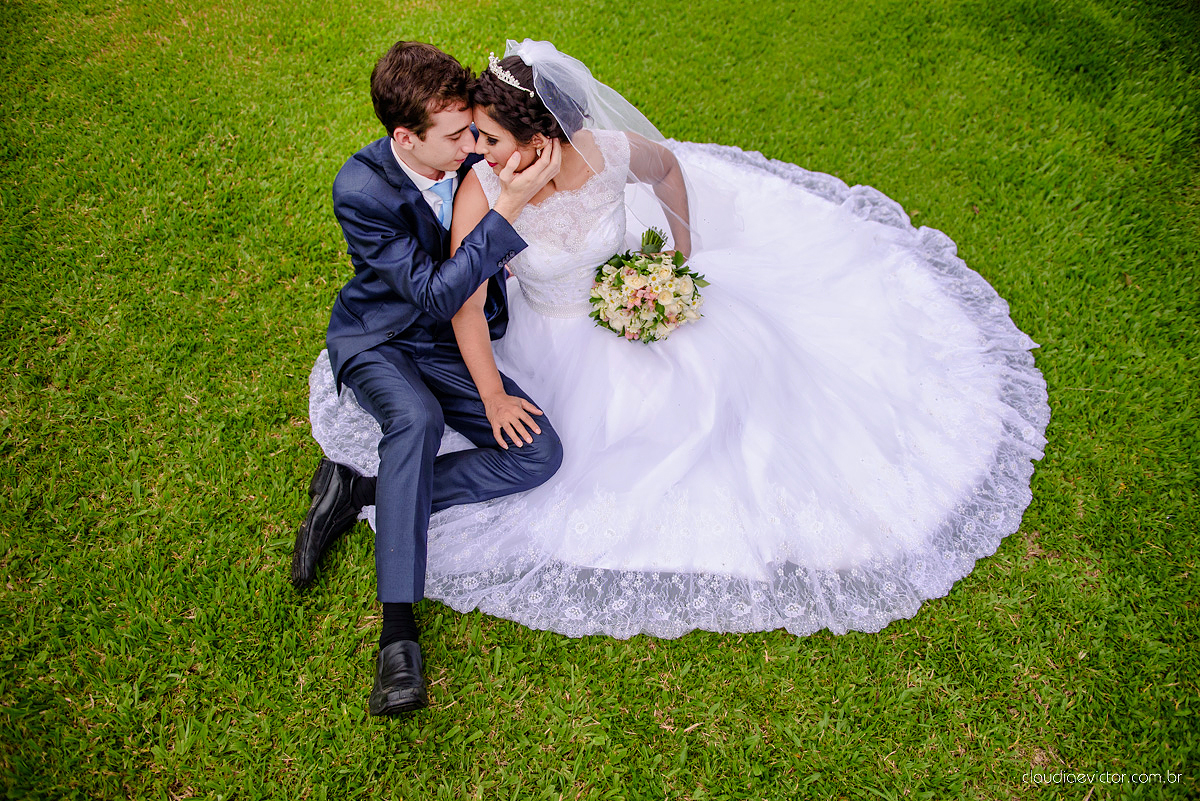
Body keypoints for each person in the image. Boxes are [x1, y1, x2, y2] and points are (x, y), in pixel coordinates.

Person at [308, 40, 1050, 646]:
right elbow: (459, 302)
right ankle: (385, 549)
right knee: (568, 457)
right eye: (468, 138)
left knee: (716, 410)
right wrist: (496, 386)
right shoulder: (480, 188)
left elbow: (667, 171)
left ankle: (370, 491)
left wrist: (678, 262)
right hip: (543, 334)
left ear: (543, 138)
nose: (478, 150)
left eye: (490, 138)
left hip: (623, 302)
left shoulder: (600, 153)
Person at [293, 41, 566, 717]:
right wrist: (510, 207)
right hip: (382, 336)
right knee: (416, 419)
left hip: (453, 341)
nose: (473, 145)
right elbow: (438, 294)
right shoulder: (359, 189)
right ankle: (398, 639)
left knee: (539, 451)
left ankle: (356, 488)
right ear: (404, 138)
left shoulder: (469, 147)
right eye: (456, 136)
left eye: (475, 129)